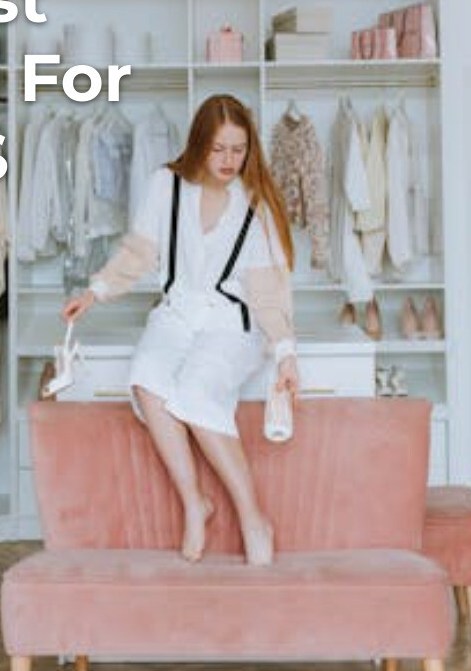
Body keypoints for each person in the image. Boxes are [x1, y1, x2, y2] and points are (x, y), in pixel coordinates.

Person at [62, 94, 298, 567]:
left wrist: (285, 352)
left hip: (232, 321)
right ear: (199, 145)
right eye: (219, 149)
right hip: (177, 312)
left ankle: (253, 518)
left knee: (193, 391)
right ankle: (195, 502)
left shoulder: (256, 204)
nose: (229, 160)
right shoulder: (165, 185)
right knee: (146, 378)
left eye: (238, 149)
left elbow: (267, 292)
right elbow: (139, 253)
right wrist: (95, 291)